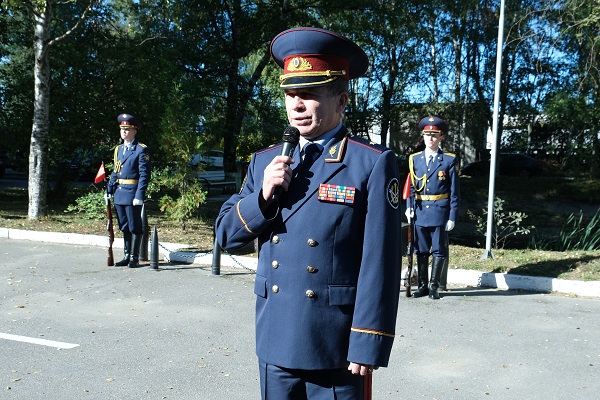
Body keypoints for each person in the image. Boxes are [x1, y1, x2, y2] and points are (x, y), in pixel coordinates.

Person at [215, 27, 402, 399]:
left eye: (310, 95)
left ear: (341, 101)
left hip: (335, 347)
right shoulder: (265, 161)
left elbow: (380, 261)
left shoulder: (370, 163)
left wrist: (368, 341)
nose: (297, 105)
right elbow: (225, 236)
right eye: (290, 94)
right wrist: (263, 197)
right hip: (276, 339)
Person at [405, 116, 459, 299]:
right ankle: (422, 286)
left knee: (438, 250)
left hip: (439, 211)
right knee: (420, 250)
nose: (431, 138)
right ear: (423, 136)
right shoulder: (415, 160)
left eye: (434, 135)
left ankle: (434, 287)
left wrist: (452, 215)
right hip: (420, 211)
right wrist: (409, 206)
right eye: (427, 134)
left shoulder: (448, 161)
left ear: (441, 137)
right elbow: (411, 187)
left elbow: (454, 192)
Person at [107, 113, 151, 268]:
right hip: (119, 192)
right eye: (122, 129)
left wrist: (139, 195)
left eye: (127, 129)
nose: (124, 132)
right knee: (124, 226)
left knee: (135, 226)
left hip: (132, 193)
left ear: (135, 131)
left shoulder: (140, 150)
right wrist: (109, 189)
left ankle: (134, 257)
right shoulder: (119, 150)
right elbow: (115, 170)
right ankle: (126, 256)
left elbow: (144, 175)